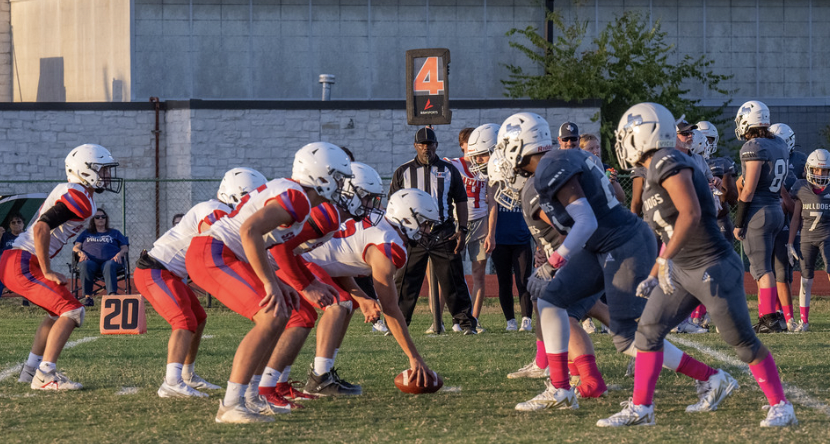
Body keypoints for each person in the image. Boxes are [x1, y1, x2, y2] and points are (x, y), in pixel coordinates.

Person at [491, 112, 725, 412]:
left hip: (621, 241)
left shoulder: (551, 165)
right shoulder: (556, 161)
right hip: (603, 244)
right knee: (550, 301)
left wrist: (553, 262)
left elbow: (585, 222)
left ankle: (711, 377)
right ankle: (560, 389)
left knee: (627, 337)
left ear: (518, 144)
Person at [598, 102, 796, 428]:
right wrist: (650, 266)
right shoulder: (653, 170)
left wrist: (661, 260)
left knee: (743, 342)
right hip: (681, 267)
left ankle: (781, 405)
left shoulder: (668, 160)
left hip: (712, 266)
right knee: (648, 331)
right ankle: (642, 408)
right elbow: (674, 225)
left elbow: (690, 214)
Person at [185, 142, 352, 424]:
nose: (339, 185)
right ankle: (230, 405)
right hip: (213, 252)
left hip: (225, 253)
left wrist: (278, 282)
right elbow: (249, 232)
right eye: (336, 177)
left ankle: (251, 397)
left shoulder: (298, 197)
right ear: (320, 175)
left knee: (283, 312)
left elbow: (263, 244)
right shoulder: (297, 199)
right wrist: (269, 283)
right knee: (272, 314)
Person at [257, 162, 385, 404]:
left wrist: (357, 295)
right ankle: (275, 385)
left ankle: (283, 384)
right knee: (318, 311)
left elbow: (305, 254)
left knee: (317, 312)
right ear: (350, 192)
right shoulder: (326, 213)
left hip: (280, 259)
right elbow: (281, 247)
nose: (371, 205)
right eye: (367, 197)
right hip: (267, 258)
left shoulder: (335, 216)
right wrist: (306, 286)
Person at [134, 167, 267, 399]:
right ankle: (171, 382)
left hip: (168, 273)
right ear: (239, 195)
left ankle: (187, 375)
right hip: (155, 270)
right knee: (183, 320)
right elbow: (216, 234)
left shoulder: (223, 211)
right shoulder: (214, 209)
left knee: (199, 319)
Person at [3, 143, 122, 390]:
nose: (107, 176)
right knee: (73, 311)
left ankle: (30, 371)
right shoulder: (78, 196)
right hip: (22, 261)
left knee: (57, 314)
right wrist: (47, 270)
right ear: (85, 170)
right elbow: (41, 228)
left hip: (18, 259)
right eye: (102, 169)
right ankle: (45, 375)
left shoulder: (79, 193)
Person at [303, 189, 440, 392]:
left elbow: (336, 260)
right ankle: (319, 378)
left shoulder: (381, 222)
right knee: (339, 305)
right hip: (297, 259)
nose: (427, 231)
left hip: (308, 257)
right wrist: (414, 358)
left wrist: (362, 297)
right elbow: (390, 309)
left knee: (349, 305)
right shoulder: (389, 244)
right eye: (424, 224)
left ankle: (324, 373)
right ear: (408, 219)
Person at [389, 127, 477, 334]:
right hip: (413, 233)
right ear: (415, 146)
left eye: (430, 144)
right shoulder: (403, 171)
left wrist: (462, 229)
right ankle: (399, 323)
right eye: (422, 144)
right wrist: (397, 233)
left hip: (442, 230)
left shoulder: (449, 170)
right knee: (405, 279)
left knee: (453, 279)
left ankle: (464, 323)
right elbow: (392, 204)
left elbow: (461, 200)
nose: (426, 148)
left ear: (436, 145)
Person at [732, 100, 791, 333]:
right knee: (765, 268)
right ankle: (769, 315)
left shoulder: (753, 147)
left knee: (761, 269)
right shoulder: (778, 142)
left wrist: (739, 222)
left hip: (759, 212)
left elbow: (748, 189)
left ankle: (769, 319)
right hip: (775, 209)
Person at [444, 124, 498, 332]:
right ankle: (454, 318)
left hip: (480, 221)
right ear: (462, 146)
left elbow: (492, 202)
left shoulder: (488, 168)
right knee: (450, 272)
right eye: (470, 148)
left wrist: (491, 233)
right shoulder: (453, 165)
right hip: (457, 223)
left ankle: (474, 318)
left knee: (479, 273)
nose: (475, 154)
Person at [787, 149, 830, 332]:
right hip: (806, 238)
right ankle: (804, 321)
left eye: (825, 170)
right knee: (806, 280)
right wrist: (790, 243)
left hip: (827, 237)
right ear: (809, 169)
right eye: (817, 170)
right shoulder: (800, 187)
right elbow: (796, 218)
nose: (821, 174)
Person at [72, 208, 130, 306]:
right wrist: (80, 253)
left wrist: (119, 254)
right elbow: (76, 247)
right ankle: (88, 297)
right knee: (85, 264)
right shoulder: (86, 233)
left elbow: (125, 248)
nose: (100, 219)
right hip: (90, 261)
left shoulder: (115, 233)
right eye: (97, 217)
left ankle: (112, 297)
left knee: (109, 265)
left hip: (111, 260)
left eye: (103, 217)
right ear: (93, 220)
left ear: (106, 219)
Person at [0, 213, 28, 305]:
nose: (16, 224)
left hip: (22, 266)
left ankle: (25, 302)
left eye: (19, 222)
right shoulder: (5, 236)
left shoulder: (28, 237)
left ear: (23, 223)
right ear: (9, 225)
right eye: (13, 222)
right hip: (5, 266)